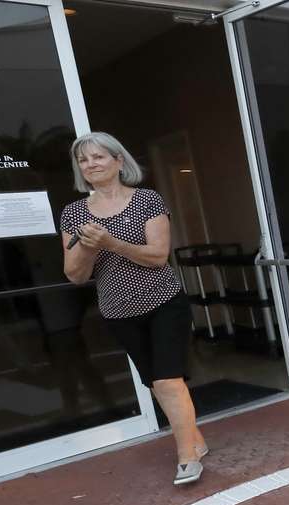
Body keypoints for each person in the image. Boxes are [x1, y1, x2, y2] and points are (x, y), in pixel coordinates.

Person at [60, 132, 208, 485]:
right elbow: (75, 275)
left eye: (98, 157)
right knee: (155, 383)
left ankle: (187, 457)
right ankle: (196, 441)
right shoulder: (73, 214)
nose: (90, 164)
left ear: (118, 161)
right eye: (83, 160)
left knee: (168, 379)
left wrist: (110, 241)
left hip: (164, 302)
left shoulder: (147, 201)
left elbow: (158, 255)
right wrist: (88, 247)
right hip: (118, 311)